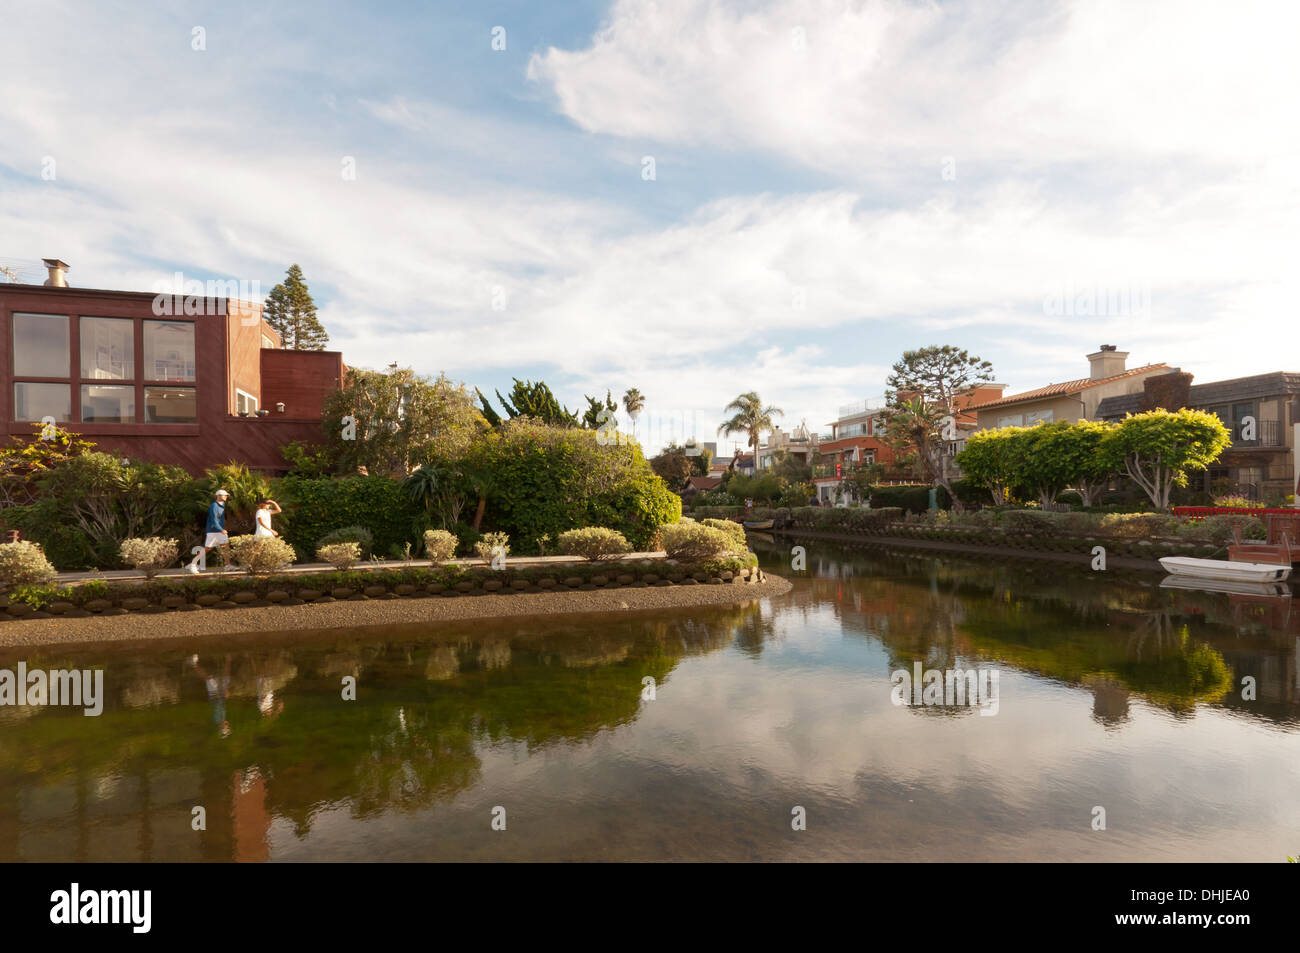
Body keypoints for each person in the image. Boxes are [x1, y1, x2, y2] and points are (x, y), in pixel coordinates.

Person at [188, 488, 231, 573]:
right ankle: (193, 564)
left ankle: (228, 566)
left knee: (225, 546)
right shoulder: (214, 506)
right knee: (208, 548)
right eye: (225, 495)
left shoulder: (223, 505)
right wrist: (221, 529)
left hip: (220, 531)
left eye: (226, 495)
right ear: (218, 496)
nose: (226, 496)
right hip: (213, 531)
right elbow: (214, 520)